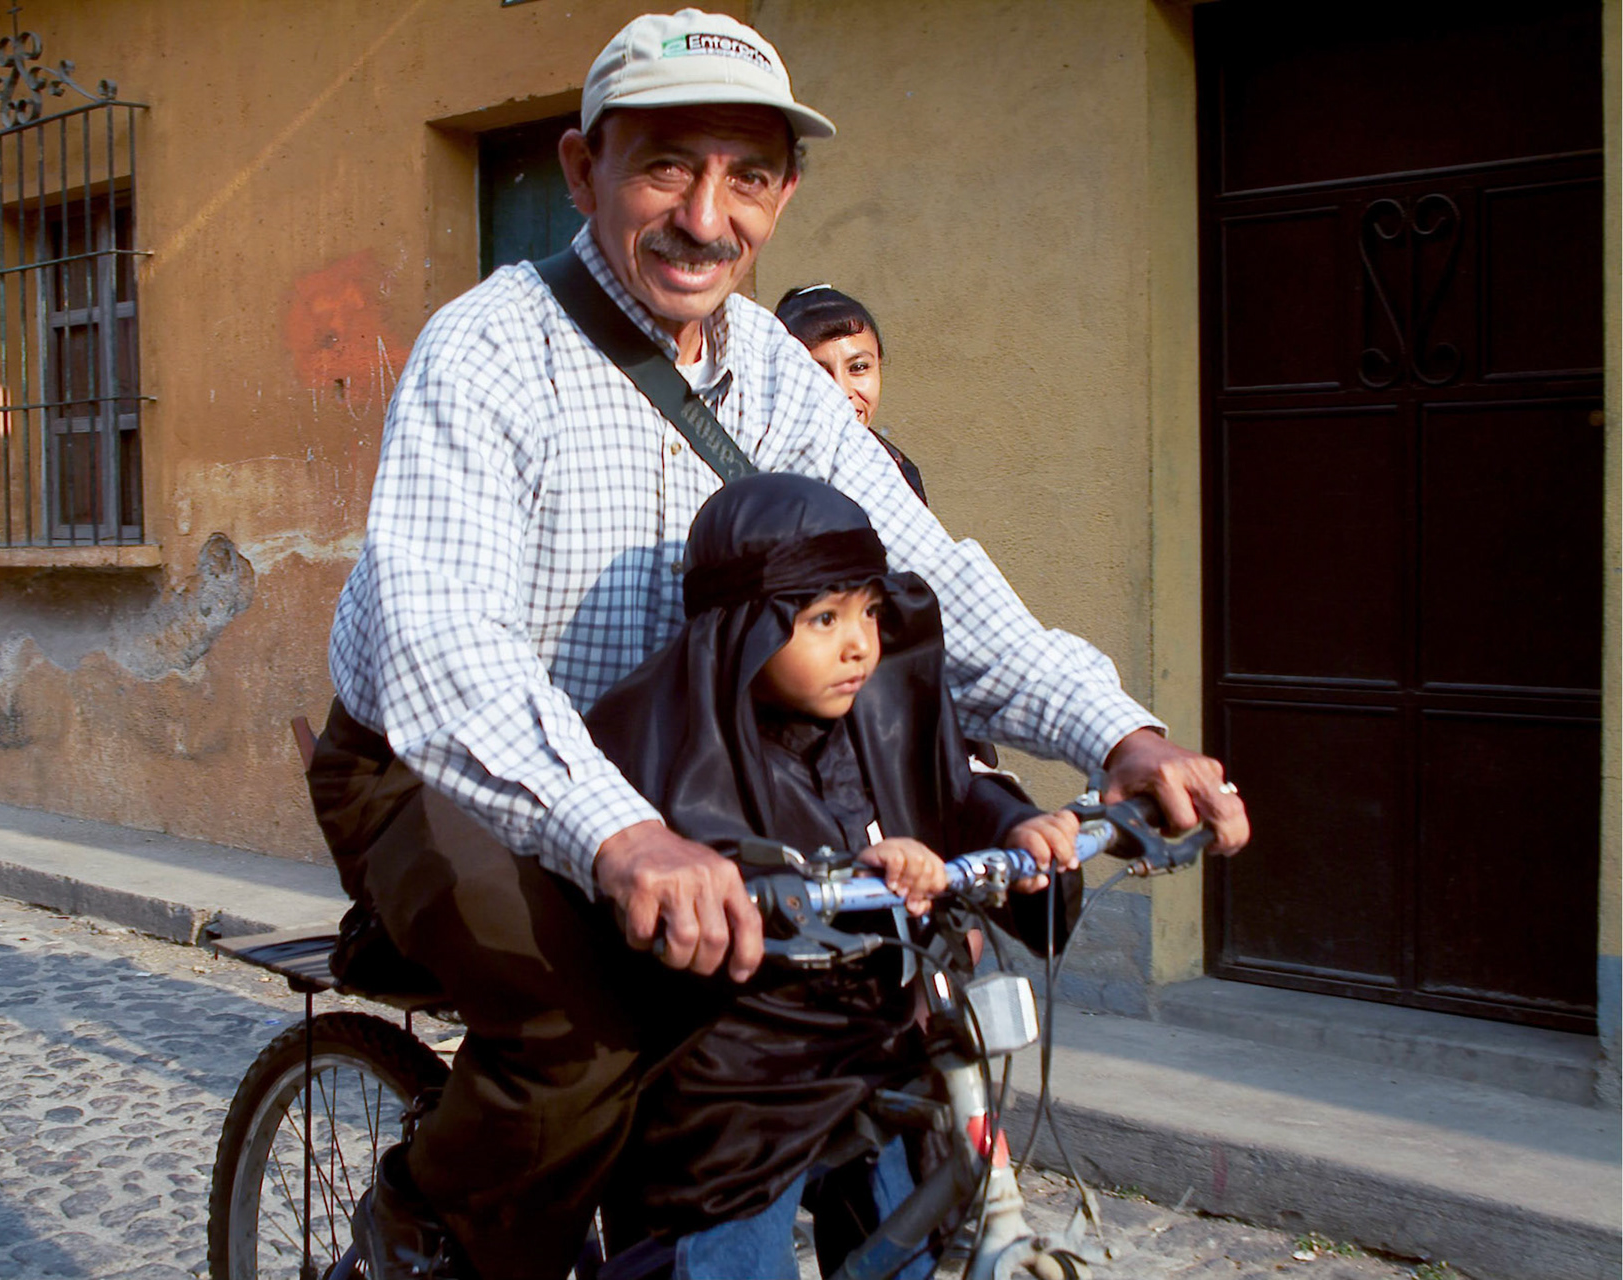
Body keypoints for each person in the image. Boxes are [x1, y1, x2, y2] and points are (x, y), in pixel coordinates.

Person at [308, 10, 1249, 1279]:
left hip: (697, 774)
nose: (707, 216)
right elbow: (441, 644)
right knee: (595, 1026)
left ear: (785, 193)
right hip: (444, 764)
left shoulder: (777, 370)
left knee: (881, 988)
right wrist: (622, 833)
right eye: (664, 166)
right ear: (583, 170)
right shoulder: (488, 348)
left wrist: (1117, 732)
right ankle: (427, 1223)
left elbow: (924, 581)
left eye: (746, 176)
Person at [584, 473, 1082, 1279]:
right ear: (745, 629)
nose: (860, 645)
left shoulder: (876, 711)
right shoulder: (665, 734)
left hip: (877, 1033)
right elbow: (708, 863)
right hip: (743, 1067)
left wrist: (1018, 831)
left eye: (870, 614)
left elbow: (952, 791)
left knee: (911, 1238)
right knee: (736, 1258)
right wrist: (847, 871)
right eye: (822, 619)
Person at [773, 284, 926, 501]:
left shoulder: (899, 473)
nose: (841, 392)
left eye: (858, 367)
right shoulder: (759, 475)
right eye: (818, 373)